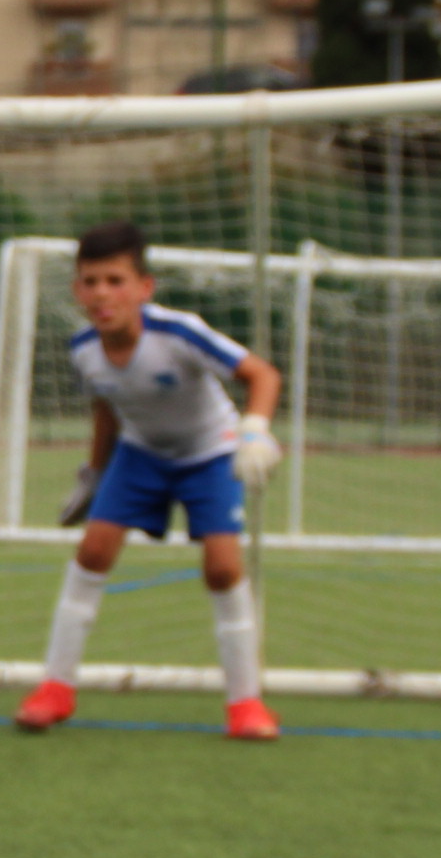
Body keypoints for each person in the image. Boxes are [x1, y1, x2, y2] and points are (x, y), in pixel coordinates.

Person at [15, 221, 284, 742]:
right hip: (140, 455)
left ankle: (246, 703)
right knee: (92, 552)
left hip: (209, 453)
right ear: (76, 290)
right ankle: (55, 689)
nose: (102, 293)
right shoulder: (83, 350)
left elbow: (263, 375)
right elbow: (106, 412)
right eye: (90, 282)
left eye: (115, 280)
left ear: (144, 288)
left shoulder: (179, 333)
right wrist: (93, 475)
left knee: (223, 568)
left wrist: (254, 431)